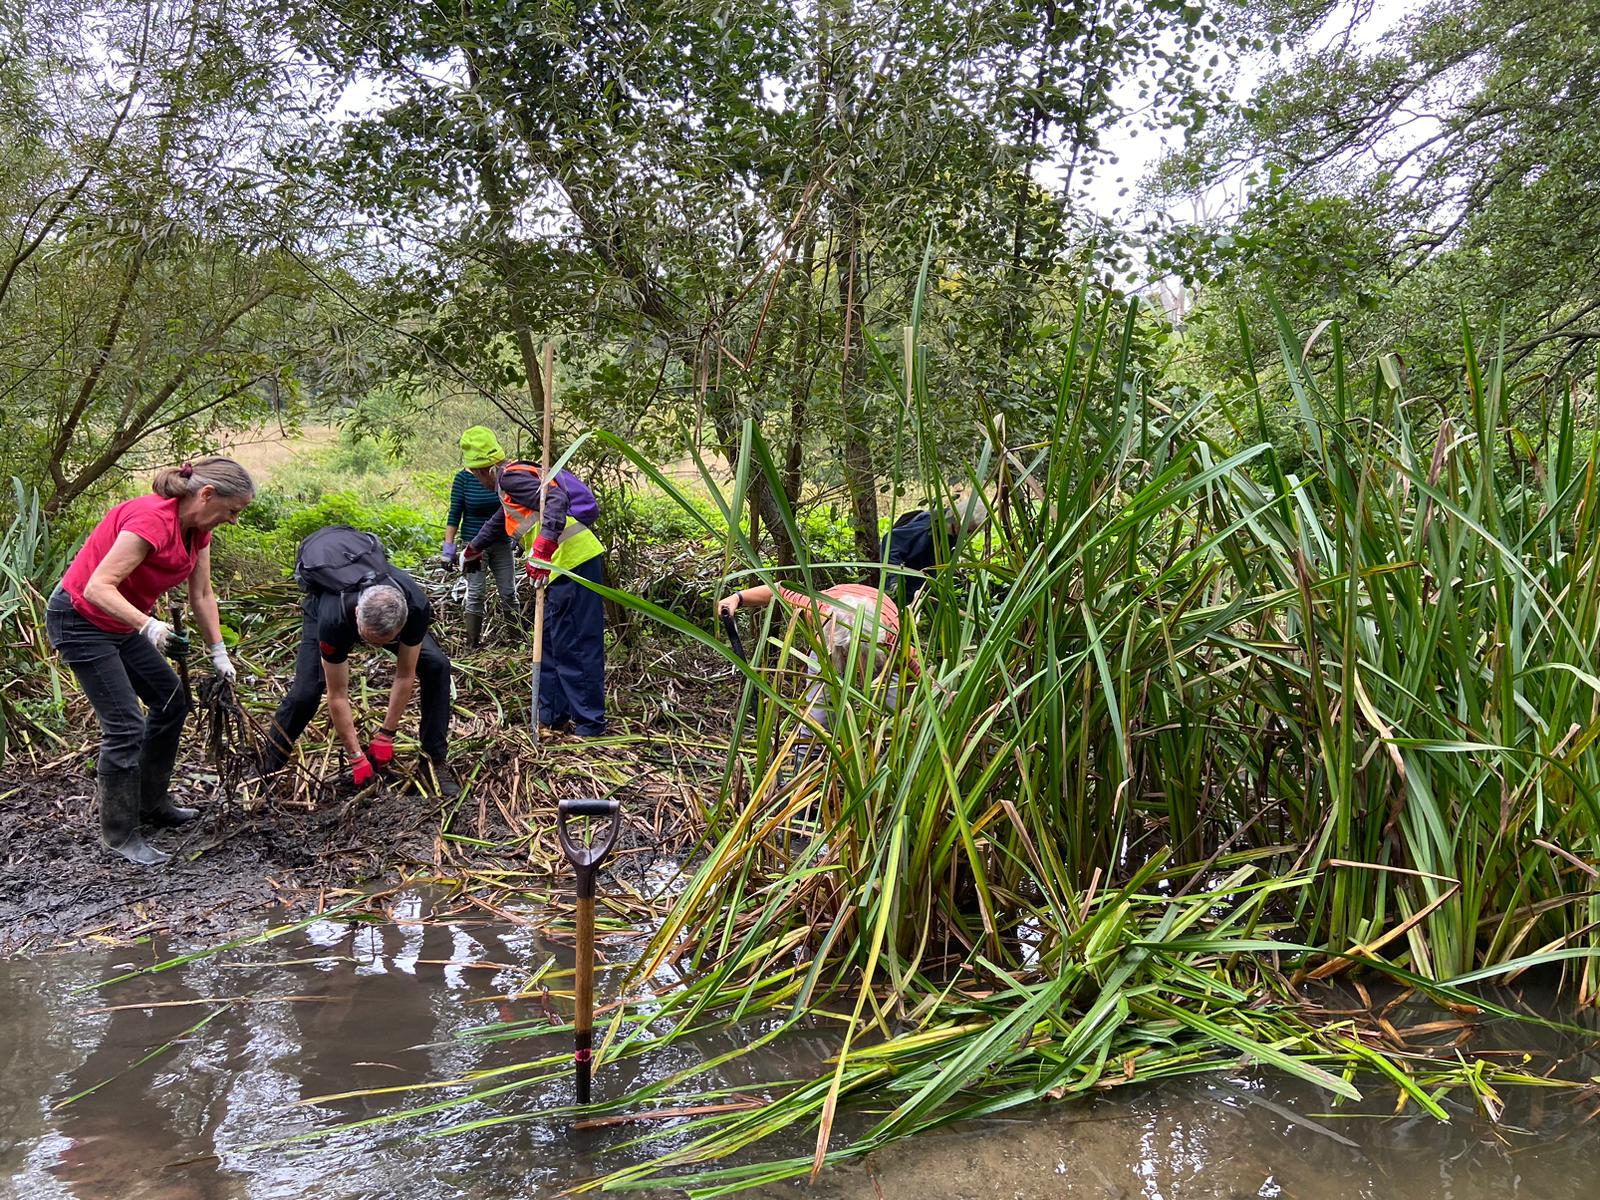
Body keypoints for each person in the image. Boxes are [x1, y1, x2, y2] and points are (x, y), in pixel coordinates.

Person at [45, 457, 253, 866]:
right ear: (207, 494)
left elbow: (203, 595)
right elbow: (98, 586)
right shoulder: (150, 520)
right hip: (80, 620)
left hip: (122, 626)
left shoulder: (197, 531)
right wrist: (150, 627)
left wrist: (218, 651)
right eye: (232, 511)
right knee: (125, 725)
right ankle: (120, 835)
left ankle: (152, 802)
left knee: (172, 700)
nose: (232, 520)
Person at [258, 526, 458, 795]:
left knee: (436, 665)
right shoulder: (334, 619)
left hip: (388, 608)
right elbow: (337, 693)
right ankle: (268, 766)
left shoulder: (415, 606)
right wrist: (356, 756)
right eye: (370, 640)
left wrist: (387, 734)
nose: (377, 649)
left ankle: (434, 759)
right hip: (326, 604)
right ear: (357, 618)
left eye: (386, 641)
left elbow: (405, 674)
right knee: (306, 693)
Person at [459, 427, 607, 737]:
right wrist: (474, 547)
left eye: (475, 474)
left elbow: (554, 498)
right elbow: (502, 520)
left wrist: (544, 545)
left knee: (575, 646)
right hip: (558, 567)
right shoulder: (509, 481)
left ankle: (590, 726)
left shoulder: (510, 477)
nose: (476, 479)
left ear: (481, 469)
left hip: (572, 563)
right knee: (551, 644)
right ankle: (552, 718)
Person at [716, 580, 909, 730]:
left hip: (879, 642)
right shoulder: (818, 609)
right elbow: (779, 590)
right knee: (818, 717)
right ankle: (806, 768)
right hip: (829, 642)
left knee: (892, 716)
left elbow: (926, 681)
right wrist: (737, 598)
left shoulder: (895, 640)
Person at [441, 433, 519, 649]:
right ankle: (472, 643)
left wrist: (519, 536)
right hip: (473, 546)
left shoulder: (503, 477)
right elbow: (455, 514)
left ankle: (516, 640)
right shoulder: (463, 479)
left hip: (502, 542)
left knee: (508, 592)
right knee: (475, 593)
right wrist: (448, 548)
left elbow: (514, 508)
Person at [879, 492, 988, 606]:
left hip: (925, 580)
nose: (969, 536)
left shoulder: (952, 528)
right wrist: (894, 580)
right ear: (960, 520)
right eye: (968, 531)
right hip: (907, 577)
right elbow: (890, 541)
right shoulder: (931, 525)